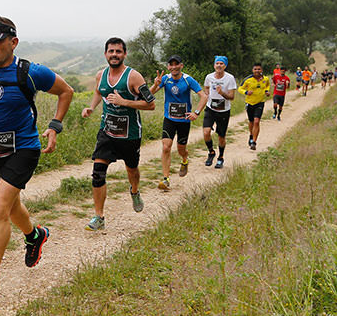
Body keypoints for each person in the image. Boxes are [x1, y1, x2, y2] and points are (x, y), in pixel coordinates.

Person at [0, 16, 73, 304]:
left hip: (24, 149)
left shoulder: (30, 72)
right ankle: (35, 235)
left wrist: (55, 126)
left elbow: (66, 91)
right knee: (11, 205)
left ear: (13, 42)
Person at [80, 38, 155, 229]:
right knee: (97, 173)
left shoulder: (134, 77)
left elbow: (151, 104)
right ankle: (99, 217)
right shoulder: (100, 75)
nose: (114, 54)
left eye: (118, 51)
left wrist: (125, 102)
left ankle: (135, 191)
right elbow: (99, 91)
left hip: (130, 135)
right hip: (107, 132)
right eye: (111, 51)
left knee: (131, 169)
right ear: (105, 54)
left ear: (124, 54)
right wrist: (91, 107)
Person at [150, 54, 208, 191]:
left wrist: (196, 112)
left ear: (181, 65)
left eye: (177, 64)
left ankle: (185, 160)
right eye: (171, 64)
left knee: (181, 149)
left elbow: (204, 96)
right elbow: (149, 95)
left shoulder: (188, 80)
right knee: (166, 147)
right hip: (169, 119)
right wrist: (155, 85)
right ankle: (166, 179)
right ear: (168, 66)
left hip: (184, 120)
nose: (174, 67)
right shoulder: (165, 79)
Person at [201, 55, 237, 169]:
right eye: (217, 63)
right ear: (214, 65)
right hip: (210, 109)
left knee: (221, 137)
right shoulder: (209, 77)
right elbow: (206, 87)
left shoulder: (230, 78)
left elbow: (232, 97)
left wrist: (222, 93)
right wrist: (207, 94)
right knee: (206, 132)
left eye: (221, 64)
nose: (219, 65)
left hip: (223, 111)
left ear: (225, 66)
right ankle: (211, 152)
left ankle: (221, 158)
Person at [238, 63, 270, 150]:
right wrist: (246, 92)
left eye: (259, 69)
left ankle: (254, 142)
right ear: (253, 70)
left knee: (256, 121)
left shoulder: (265, 79)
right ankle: (251, 135)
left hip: (260, 103)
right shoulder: (248, 79)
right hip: (249, 103)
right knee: (251, 122)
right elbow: (240, 88)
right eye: (255, 69)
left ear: (261, 70)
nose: (257, 71)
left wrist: (267, 91)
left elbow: (267, 85)